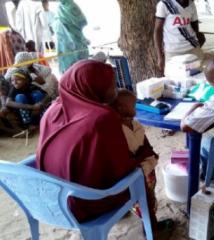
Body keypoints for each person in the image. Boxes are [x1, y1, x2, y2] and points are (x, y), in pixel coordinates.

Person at [36, 60, 173, 238]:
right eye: (111, 85)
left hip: (51, 197)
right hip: (85, 202)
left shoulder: (52, 110)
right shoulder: (101, 118)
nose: (115, 90)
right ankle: (153, 229)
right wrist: (147, 157)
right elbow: (121, 168)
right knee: (145, 173)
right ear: (94, 87)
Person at [111, 89, 159, 217]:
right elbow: (125, 160)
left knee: (150, 192)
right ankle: (149, 225)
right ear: (121, 108)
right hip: (135, 172)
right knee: (140, 198)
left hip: (148, 166)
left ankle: (150, 216)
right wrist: (143, 154)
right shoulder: (117, 131)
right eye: (133, 105)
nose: (135, 108)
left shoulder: (135, 124)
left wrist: (151, 152)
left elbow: (145, 141)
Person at [154, 0, 205, 74]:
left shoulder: (191, 4)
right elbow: (157, 30)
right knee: (174, 77)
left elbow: (195, 26)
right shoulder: (164, 4)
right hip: (173, 52)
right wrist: (160, 57)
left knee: (196, 76)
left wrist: (198, 43)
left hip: (192, 50)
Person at [53, 0, 89, 73]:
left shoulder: (63, 8)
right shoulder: (67, 6)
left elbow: (82, 21)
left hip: (69, 44)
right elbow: (82, 21)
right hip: (71, 44)